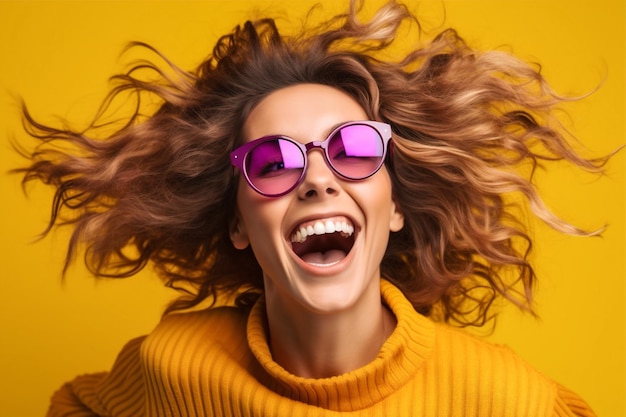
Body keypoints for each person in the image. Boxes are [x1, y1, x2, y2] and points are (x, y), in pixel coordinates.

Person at [14, 0, 607, 416]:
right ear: (238, 224)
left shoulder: (503, 399)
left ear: (395, 206)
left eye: (352, 150)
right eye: (274, 163)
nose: (318, 179)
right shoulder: (174, 368)